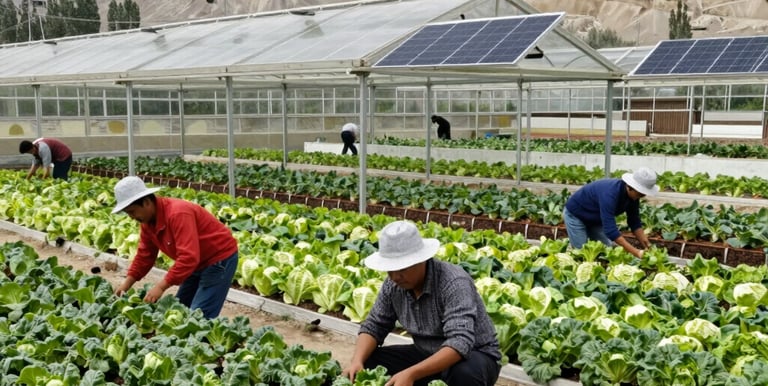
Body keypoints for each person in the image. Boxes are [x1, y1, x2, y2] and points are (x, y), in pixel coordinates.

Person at [341, 220, 501, 386]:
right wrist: (357, 360)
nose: (395, 276)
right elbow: (374, 325)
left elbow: (460, 342)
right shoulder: (393, 285)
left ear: (421, 259)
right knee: (368, 362)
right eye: (390, 269)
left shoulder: (453, 282)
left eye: (402, 268)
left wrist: (411, 373)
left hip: (475, 355)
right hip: (426, 353)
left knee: (464, 374)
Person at [111, 176, 239, 319]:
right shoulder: (147, 222)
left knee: (199, 316)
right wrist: (126, 285)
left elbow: (189, 257)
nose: (131, 217)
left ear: (146, 202)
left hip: (218, 259)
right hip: (196, 263)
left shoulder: (178, 213)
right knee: (180, 309)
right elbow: (144, 256)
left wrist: (160, 287)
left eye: (132, 211)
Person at [563, 167, 659, 258]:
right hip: (576, 215)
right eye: (640, 193)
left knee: (606, 250)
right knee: (582, 253)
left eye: (643, 194)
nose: (641, 196)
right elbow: (611, 231)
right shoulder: (610, 194)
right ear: (630, 187)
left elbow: (634, 222)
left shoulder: (633, 197)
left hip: (595, 219)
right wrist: (636, 252)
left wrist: (647, 245)